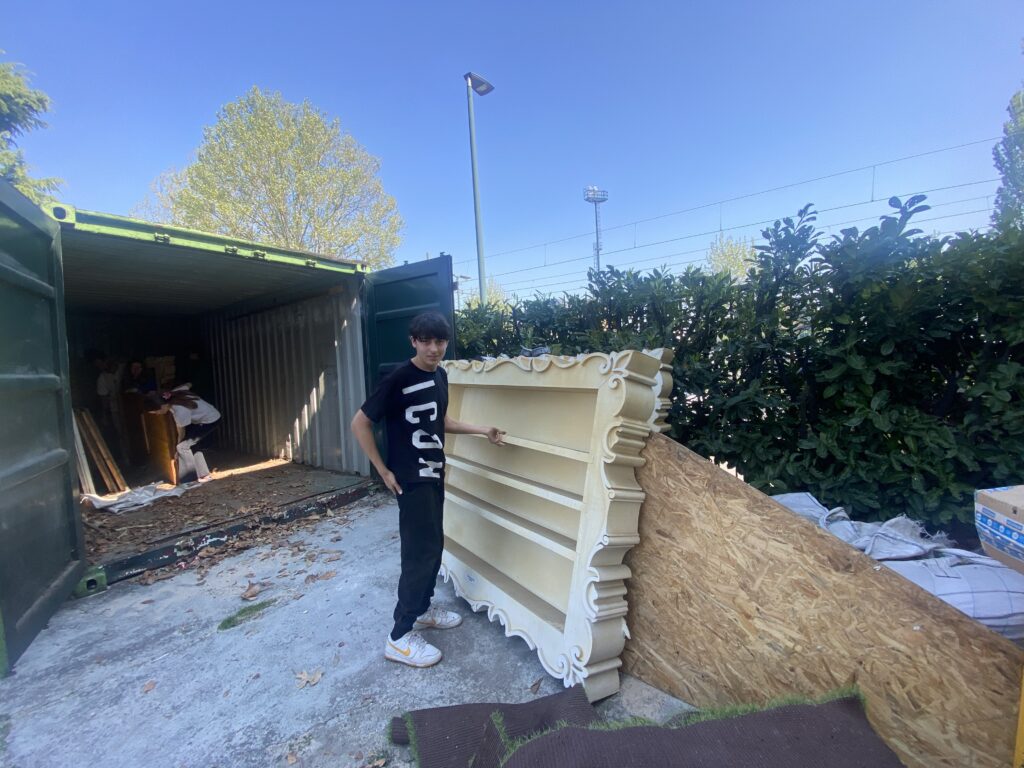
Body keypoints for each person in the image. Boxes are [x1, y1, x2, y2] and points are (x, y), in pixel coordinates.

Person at [350, 311, 505, 668]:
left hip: (434, 474)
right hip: (411, 479)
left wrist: (482, 430)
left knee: (433, 546)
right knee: (418, 554)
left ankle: (422, 610)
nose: (434, 348)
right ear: (413, 341)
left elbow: (442, 421)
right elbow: (360, 423)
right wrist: (382, 470)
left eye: (440, 341)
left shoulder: (440, 375)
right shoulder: (398, 378)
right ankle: (399, 636)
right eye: (426, 341)